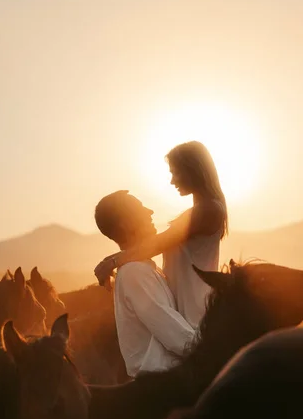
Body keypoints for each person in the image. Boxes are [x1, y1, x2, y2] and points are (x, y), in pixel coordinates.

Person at [94, 141, 228, 330]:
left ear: (193, 170)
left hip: (195, 315)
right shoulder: (201, 210)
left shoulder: (208, 210)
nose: (172, 180)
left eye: (175, 172)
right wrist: (112, 260)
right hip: (187, 311)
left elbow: (158, 244)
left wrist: (112, 262)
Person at [94, 190, 195, 378]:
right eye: (141, 209)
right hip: (162, 388)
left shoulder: (144, 269)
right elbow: (178, 339)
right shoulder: (135, 273)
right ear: (126, 224)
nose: (150, 212)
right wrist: (217, 350)